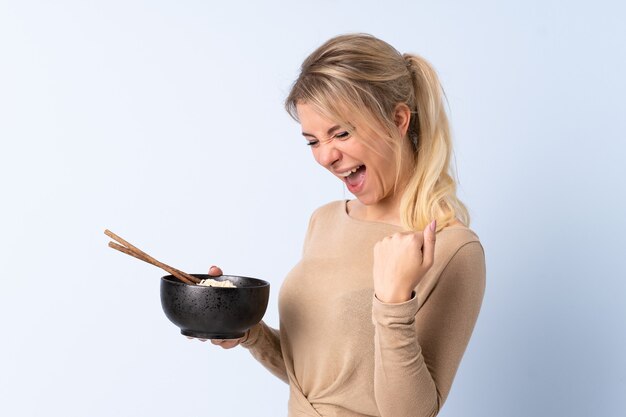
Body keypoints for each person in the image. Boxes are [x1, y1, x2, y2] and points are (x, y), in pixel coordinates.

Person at [201, 33, 486, 417]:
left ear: (399, 119)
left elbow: (411, 412)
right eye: (312, 141)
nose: (325, 157)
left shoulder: (451, 249)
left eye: (341, 133)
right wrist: (247, 330)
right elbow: (324, 386)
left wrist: (393, 302)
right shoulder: (325, 221)